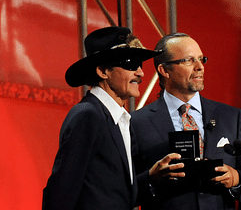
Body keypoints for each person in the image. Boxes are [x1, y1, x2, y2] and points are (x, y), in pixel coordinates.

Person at [131, 33, 241, 210]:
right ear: (164, 70)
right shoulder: (136, 123)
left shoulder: (230, 116)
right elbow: (123, 191)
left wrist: (236, 179)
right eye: (189, 60)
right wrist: (152, 178)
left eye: (201, 59)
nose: (200, 67)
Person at [42, 26, 161, 210]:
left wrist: (153, 176)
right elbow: (61, 193)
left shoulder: (122, 121)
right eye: (130, 63)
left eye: (140, 64)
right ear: (103, 71)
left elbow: (117, 194)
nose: (140, 73)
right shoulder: (87, 115)